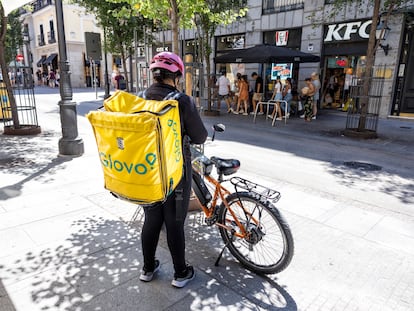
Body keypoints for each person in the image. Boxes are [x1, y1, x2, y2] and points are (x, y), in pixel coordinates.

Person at [139, 51, 208, 288]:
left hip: (148, 171)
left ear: (154, 74)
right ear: (176, 75)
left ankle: (148, 268)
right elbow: (199, 136)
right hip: (176, 172)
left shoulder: (141, 98)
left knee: (151, 219)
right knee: (174, 222)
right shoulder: (182, 100)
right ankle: (181, 273)